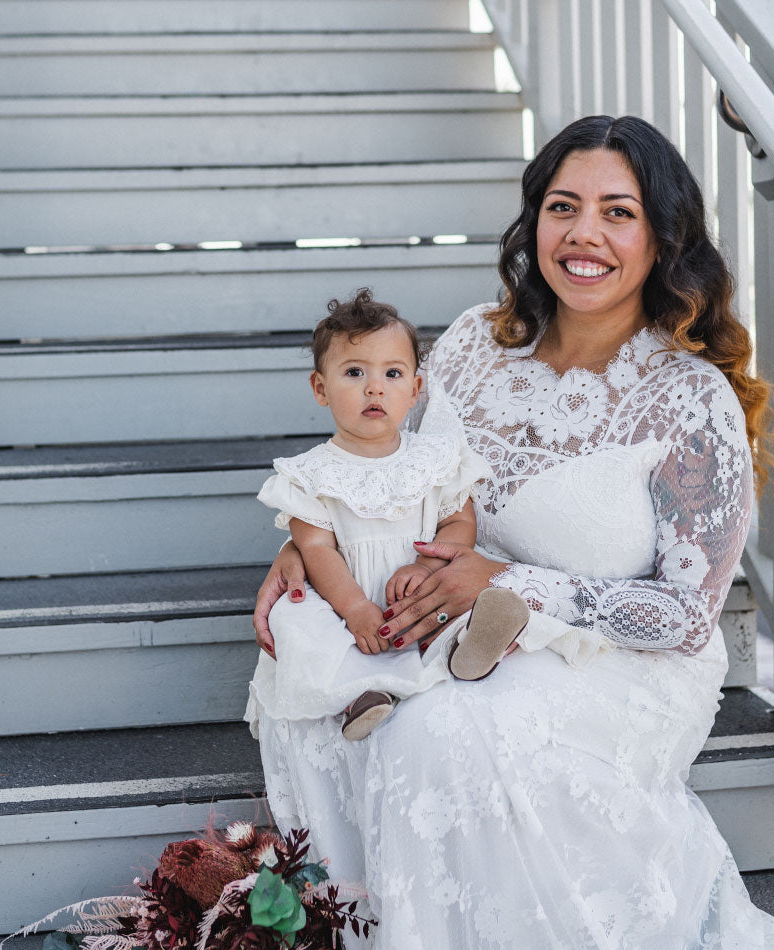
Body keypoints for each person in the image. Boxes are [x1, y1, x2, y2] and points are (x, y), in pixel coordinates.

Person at [182, 116, 774, 950]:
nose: (587, 235)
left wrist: (510, 584)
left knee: (437, 739)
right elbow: (389, 474)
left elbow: (683, 609)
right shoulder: (471, 342)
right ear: (535, 219)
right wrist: (307, 545)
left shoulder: (686, 398)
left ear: (665, 239)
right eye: (566, 206)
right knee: (332, 690)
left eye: (620, 213)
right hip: (452, 617)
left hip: (617, 664)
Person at [250, 288, 603, 742]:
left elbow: (458, 522)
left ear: (416, 390)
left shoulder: (436, 459)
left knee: (452, 607)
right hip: (346, 599)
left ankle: (469, 647)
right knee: (300, 623)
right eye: (354, 372)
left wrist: (427, 566)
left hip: (423, 588)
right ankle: (362, 695)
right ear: (321, 388)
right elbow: (315, 548)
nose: (375, 387)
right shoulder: (309, 474)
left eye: (393, 373)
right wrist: (356, 608)